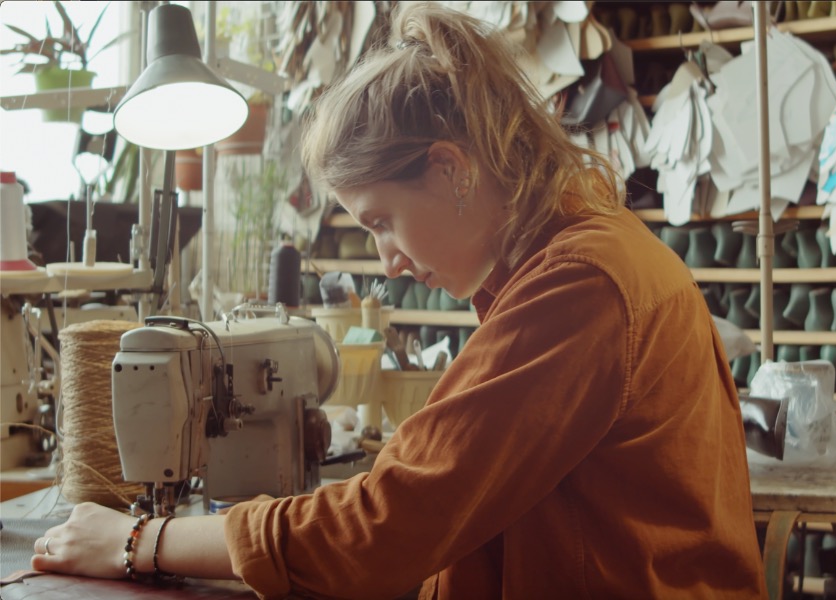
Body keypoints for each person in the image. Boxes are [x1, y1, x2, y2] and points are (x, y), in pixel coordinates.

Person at [31, 3, 766, 598]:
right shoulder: (573, 259)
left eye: (381, 220)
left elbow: (386, 527)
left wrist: (138, 542)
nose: (386, 260)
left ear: (450, 170)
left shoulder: (581, 286)